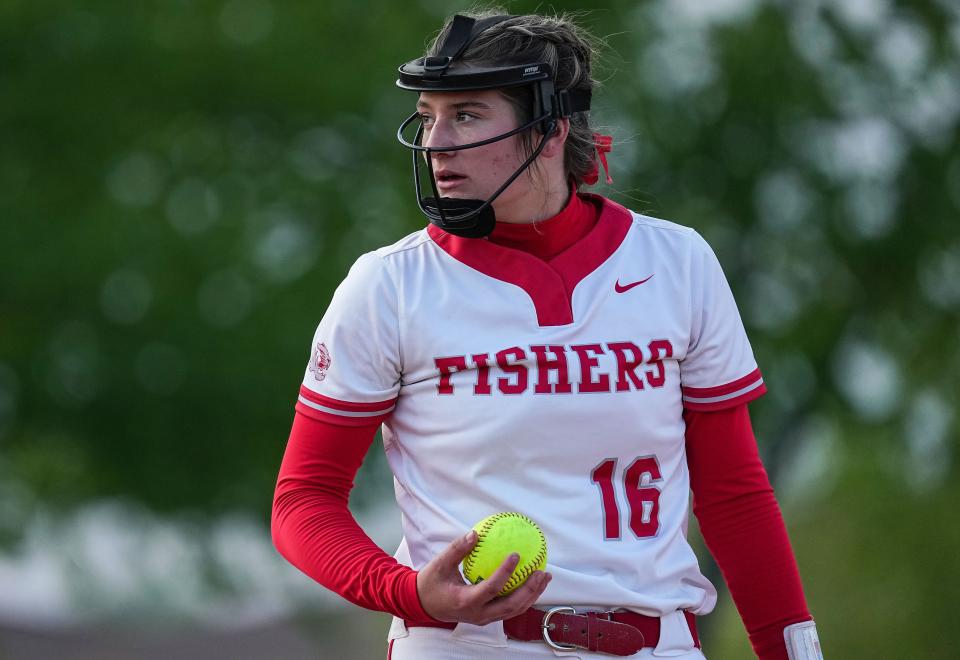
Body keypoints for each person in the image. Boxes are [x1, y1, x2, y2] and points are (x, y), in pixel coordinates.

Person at [272, 10, 824, 660]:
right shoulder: (389, 286)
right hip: (463, 647)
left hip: (659, 645)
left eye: (468, 114)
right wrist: (409, 590)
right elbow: (303, 501)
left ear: (552, 128)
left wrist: (794, 650)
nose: (437, 141)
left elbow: (733, 495)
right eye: (429, 115)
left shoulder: (678, 264)